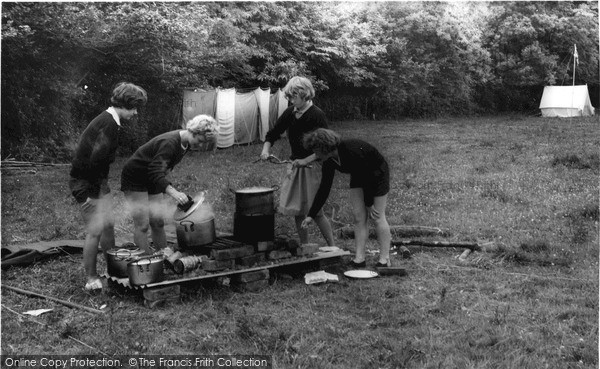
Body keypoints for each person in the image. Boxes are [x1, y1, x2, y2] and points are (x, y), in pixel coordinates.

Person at [69, 82, 148, 290]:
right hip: (87, 183)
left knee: (108, 225)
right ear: (127, 104)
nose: (136, 112)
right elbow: (93, 162)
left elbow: (100, 163)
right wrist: (88, 196)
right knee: (95, 230)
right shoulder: (108, 124)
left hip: (98, 182)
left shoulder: (112, 121)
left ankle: (113, 269)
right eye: (135, 107)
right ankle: (91, 278)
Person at [121, 114, 218, 255]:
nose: (201, 145)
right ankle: (145, 262)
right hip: (135, 177)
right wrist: (175, 193)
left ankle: (164, 255)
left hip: (152, 177)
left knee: (158, 222)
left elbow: (157, 171)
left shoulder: (186, 143)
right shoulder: (170, 143)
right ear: (193, 131)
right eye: (200, 140)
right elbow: (155, 171)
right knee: (142, 225)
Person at [301, 128, 392, 268]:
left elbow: (367, 177)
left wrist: (369, 204)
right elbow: (324, 188)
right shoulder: (329, 160)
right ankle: (359, 258)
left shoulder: (351, 150)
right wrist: (311, 215)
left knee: (377, 216)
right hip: (359, 174)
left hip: (377, 174)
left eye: (316, 150)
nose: (314, 154)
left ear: (324, 147)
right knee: (358, 217)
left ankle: (385, 259)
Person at [260, 76, 335, 246]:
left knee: (315, 212)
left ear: (305, 94)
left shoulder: (317, 115)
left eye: (294, 97)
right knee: (297, 210)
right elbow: (273, 133)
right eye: (289, 97)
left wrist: (306, 159)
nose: (291, 100)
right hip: (295, 165)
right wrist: (265, 149)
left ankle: (333, 246)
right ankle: (305, 246)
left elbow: (327, 147)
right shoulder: (290, 113)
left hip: (312, 166)